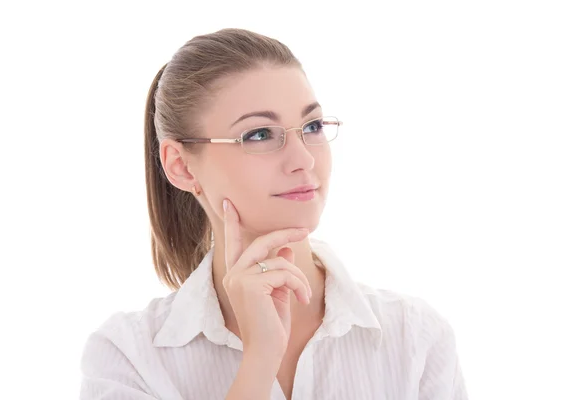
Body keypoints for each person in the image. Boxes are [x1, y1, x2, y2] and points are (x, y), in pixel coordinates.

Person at [79, 28, 468, 400]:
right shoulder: (128, 356)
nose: (303, 160)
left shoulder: (415, 338)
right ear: (181, 166)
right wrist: (259, 360)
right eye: (260, 134)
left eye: (312, 126)